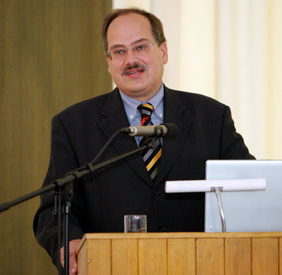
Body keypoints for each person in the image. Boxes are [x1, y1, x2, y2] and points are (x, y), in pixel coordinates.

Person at [33, 8, 254, 274]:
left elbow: (249, 189)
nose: (130, 60)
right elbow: (53, 210)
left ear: (163, 52)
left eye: (140, 47)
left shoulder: (211, 117)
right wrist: (66, 240)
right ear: (108, 61)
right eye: (119, 51)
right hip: (112, 267)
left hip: (199, 265)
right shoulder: (72, 124)